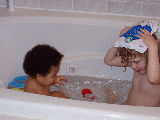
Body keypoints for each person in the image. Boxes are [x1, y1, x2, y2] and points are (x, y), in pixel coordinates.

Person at [104, 26, 160, 107]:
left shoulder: (157, 71)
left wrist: (152, 46)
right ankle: (111, 99)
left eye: (136, 62)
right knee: (105, 112)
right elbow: (109, 60)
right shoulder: (137, 66)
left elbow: (153, 79)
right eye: (130, 62)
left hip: (143, 115)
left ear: (150, 55)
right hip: (128, 107)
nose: (133, 66)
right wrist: (120, 41)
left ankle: (111, 100)